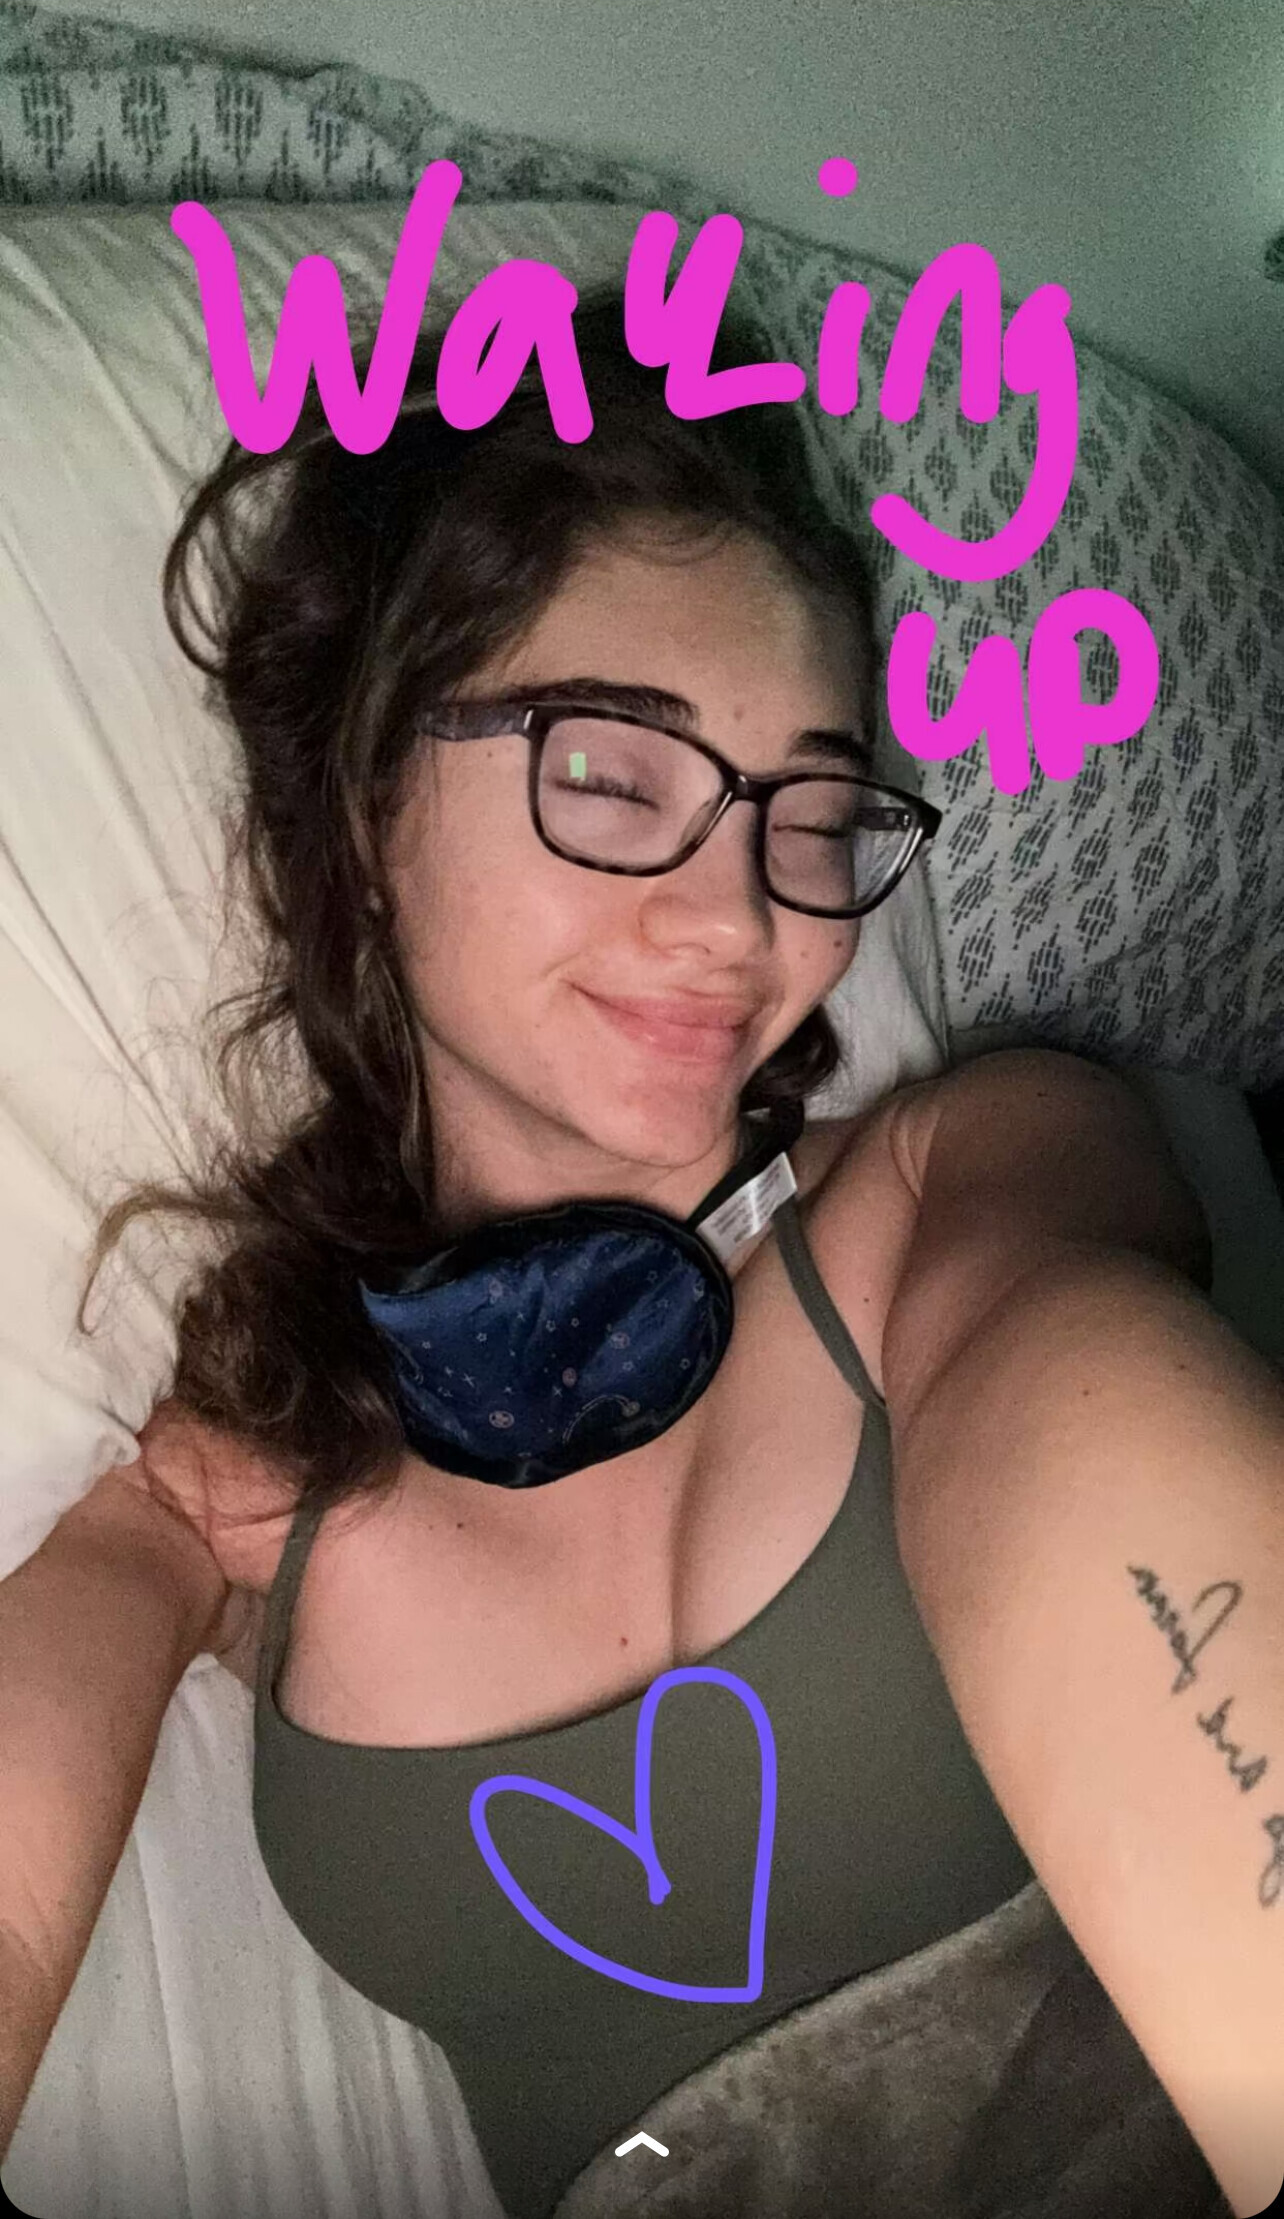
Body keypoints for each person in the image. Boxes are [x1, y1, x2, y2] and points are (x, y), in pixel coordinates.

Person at [2, 290, 1281, 2219]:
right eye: (611, 776)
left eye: (815, 815)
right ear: (361, 801)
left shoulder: (979, 1172)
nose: (738, 921)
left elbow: (1088, 1417)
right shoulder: (240, 1470)